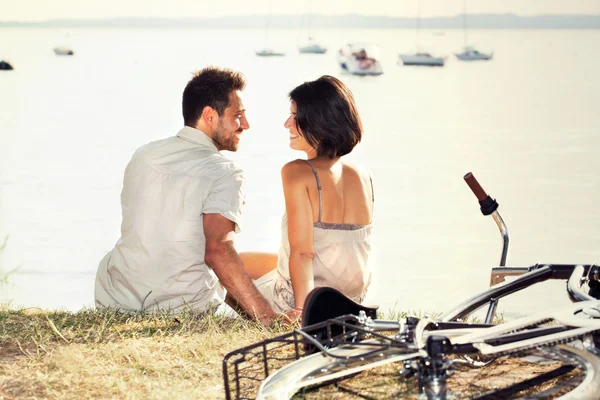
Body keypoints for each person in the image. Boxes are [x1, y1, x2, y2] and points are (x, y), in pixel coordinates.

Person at [94, 66, 279, 325]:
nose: (245, 125)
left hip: (117, 299)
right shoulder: (225, 172)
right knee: (278, 269)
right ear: (209, 115)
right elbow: (218, 251)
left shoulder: (144, 155)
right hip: (181, 308)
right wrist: (269, 318)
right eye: (238, 115)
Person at [241, 76, 374, 319]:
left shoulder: (297, 172)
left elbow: (304, 253)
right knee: (249, 262)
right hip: (352, 301)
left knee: (230, 270)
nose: (286, 124)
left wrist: (304, 313)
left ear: (318, 121)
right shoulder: (362, 174)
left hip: (311, 301)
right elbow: (347, 247)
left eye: (294, 116)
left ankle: (270, 320)